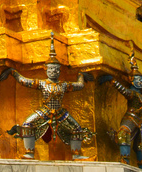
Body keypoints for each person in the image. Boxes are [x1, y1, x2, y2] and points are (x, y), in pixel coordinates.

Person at [7, 31, 94, 160]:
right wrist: (13, 72)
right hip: (45, 111)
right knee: (27, 124)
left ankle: (77, 154)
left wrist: (81, 75)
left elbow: (79, 86)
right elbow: (24, 81)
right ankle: (29, 152)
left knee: (76, 128)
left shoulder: (63, 85)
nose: (54, 72)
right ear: (46, 70)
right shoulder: (42, 84)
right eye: (51, 69)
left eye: (56, 69)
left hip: (60, 112)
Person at [98, 51, 142, 169]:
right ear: (131, 79)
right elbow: (124, 91)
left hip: (139, 121)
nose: (140, 82)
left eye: (141, 79)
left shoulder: (140, 94)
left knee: (141, 141)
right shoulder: (132, 93)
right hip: (130, 118)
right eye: (137, 79)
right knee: (124, 133)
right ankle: (124, 159)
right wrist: (112, 80)